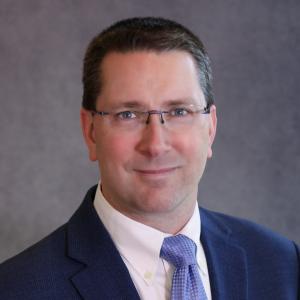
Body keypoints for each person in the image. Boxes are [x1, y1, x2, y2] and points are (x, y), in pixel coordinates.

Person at [0, 17, 298, 300]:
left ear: (210, 127)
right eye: (128, 114)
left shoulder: (282, 264)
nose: (155, 145)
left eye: (179, 111)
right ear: (91, 131)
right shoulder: (17, 289)